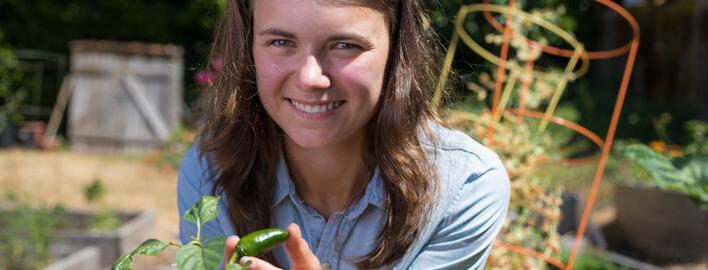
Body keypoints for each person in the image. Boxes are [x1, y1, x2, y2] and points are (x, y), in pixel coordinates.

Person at [177, 0, 510, 269]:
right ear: (249, 47)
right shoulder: (209, 175)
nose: (310, 78)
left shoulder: (464, 187)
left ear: (396, 49)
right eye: (280, 42)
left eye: (345, 45)